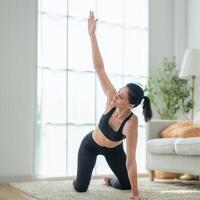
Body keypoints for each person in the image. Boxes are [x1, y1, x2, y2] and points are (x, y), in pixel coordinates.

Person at [72, 11, 152, 200]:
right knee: (81, 188)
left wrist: (136, 194)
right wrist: (92, 35)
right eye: (119, 92)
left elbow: (131, 161)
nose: (116, 96)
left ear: (131, 105)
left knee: (125, 185)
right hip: (91, 145)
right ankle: (78, 180)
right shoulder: (111, 97)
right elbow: (100, 68)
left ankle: (109, 181)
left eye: (121, 97)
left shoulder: (131, 123)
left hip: (114, 150)